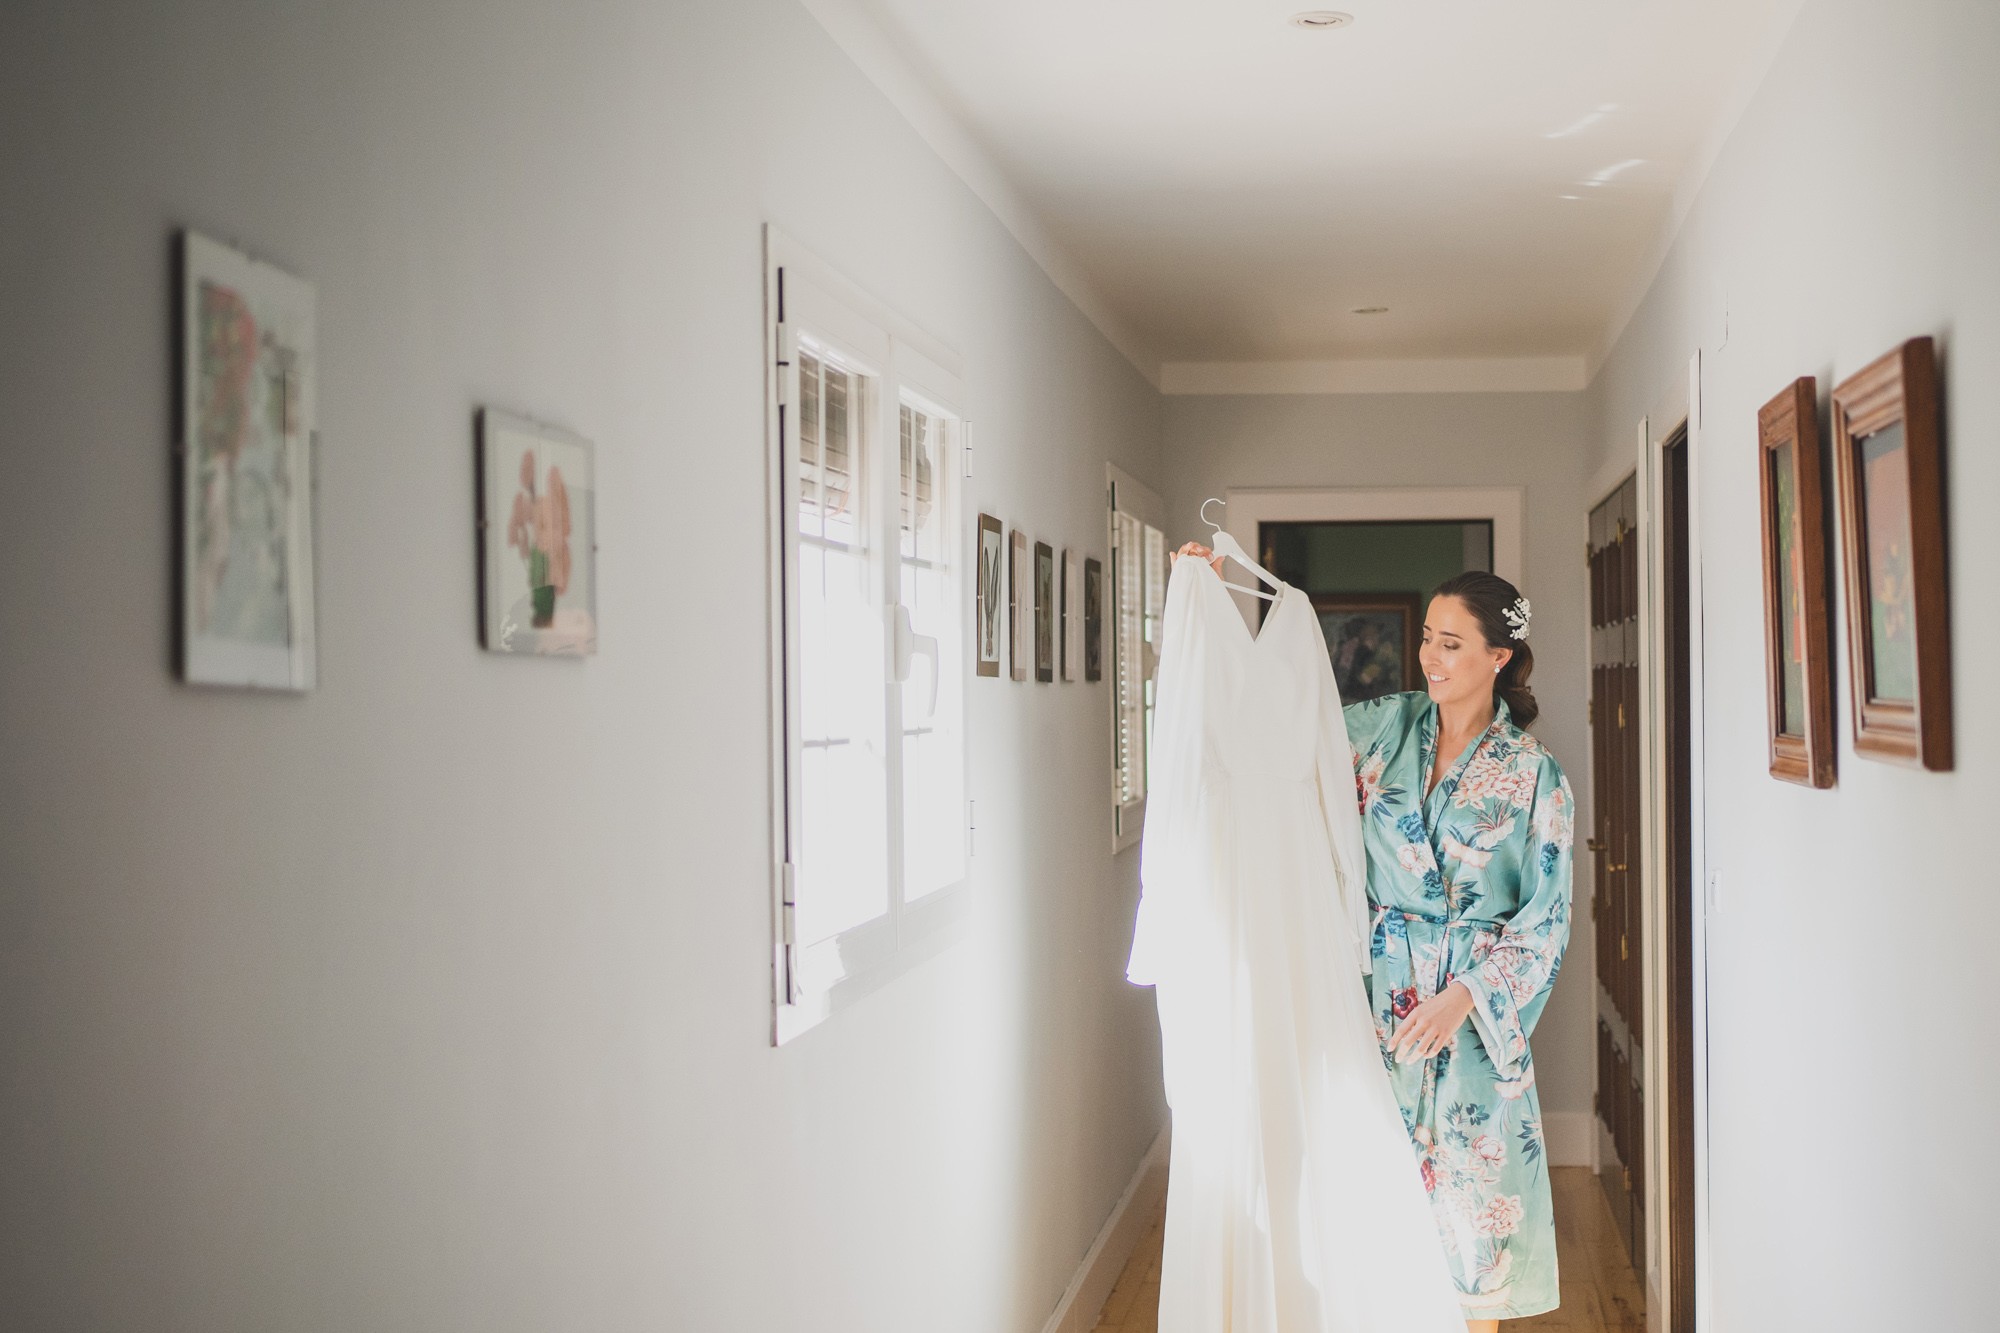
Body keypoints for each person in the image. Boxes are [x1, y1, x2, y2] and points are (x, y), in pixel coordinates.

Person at [1174, 552, 1575, 1329]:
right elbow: (1275, 722)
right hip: (1368, 1007)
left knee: (1467, 1251)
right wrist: (1212, 591)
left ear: (1499, 656)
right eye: (1428, 635)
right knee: (1363, 1229)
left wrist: (1464, 997)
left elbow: (1545, 921)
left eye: (1452, 642)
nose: (1430, 654)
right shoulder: (1377, 728)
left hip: (1468, 1037)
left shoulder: (1535, 776)